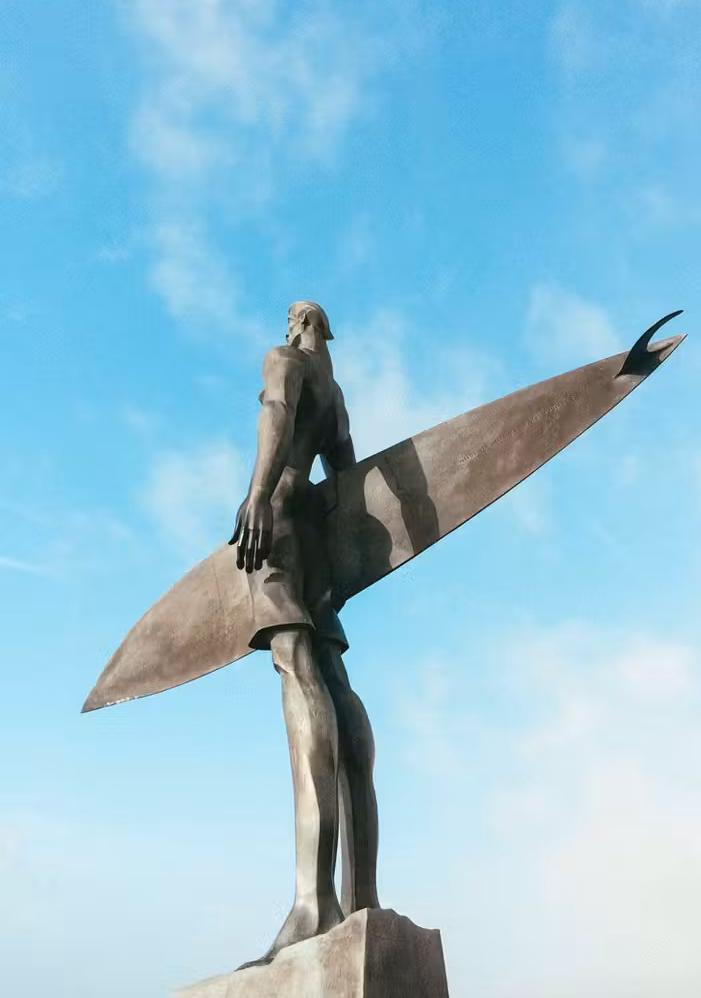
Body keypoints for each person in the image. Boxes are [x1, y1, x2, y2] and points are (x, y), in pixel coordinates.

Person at [229, 301, 380, 966]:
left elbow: (275, 416)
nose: (292, 328)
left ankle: (314, 904)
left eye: (295, 319)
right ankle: (363, 895)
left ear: (299, 327)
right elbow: (346, 479)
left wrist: (260, 494)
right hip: (318, 536)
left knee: (295, 666)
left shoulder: (282, 363)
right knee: (335, 682)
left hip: (283, 517)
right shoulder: (337, 392)